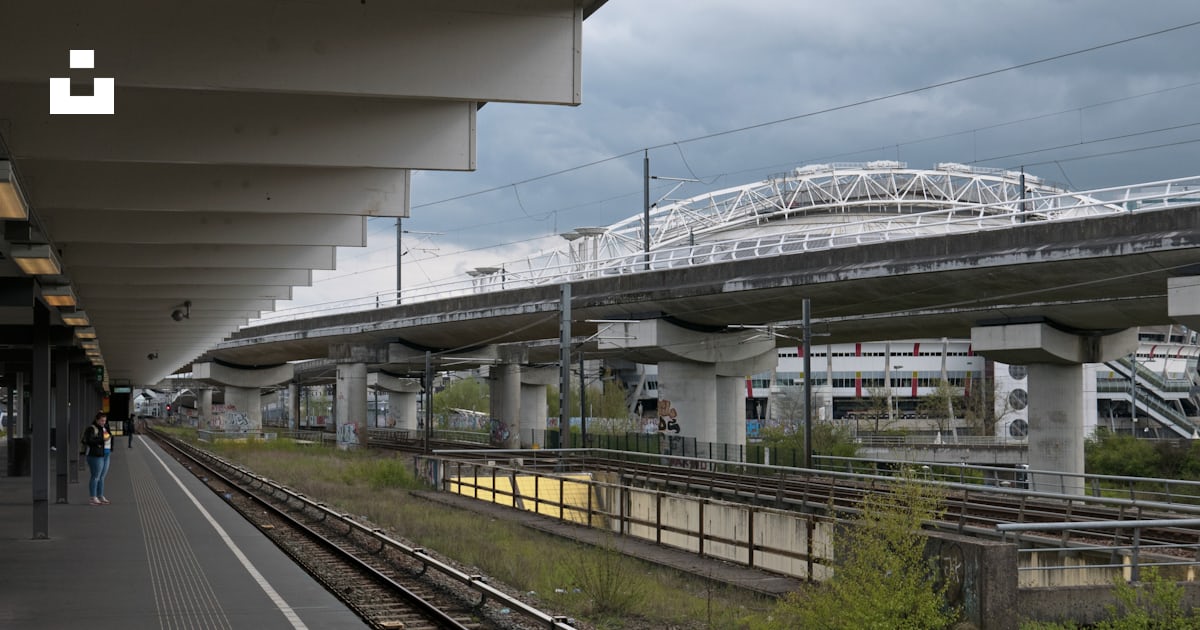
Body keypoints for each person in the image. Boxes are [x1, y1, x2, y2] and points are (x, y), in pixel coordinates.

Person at [81, 412, 112, 505]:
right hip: (95, 455)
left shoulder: (104, 428)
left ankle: (100, 496)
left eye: (105, 420)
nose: (104, 422)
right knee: (95, 476)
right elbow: (88, 440)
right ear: (96, 420)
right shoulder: (91, 428)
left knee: (102, 477)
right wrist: (102, 440)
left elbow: (109, 437)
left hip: (106, 454)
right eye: (102, 420)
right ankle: (93, 497)